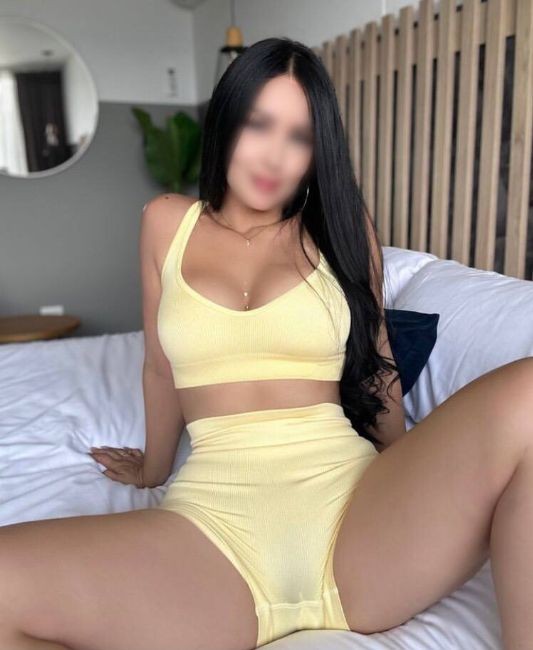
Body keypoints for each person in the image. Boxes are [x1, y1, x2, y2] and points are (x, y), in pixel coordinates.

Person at [1, 36, 532, 650]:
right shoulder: (167, 222)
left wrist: (407, 467)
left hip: (355, 514)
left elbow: (377, 357)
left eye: (298, 136)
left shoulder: (340, 227)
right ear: (228, 122)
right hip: (213, 531)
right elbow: (159, 367)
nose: (274, 155)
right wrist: (151, 468)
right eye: (260, 124)